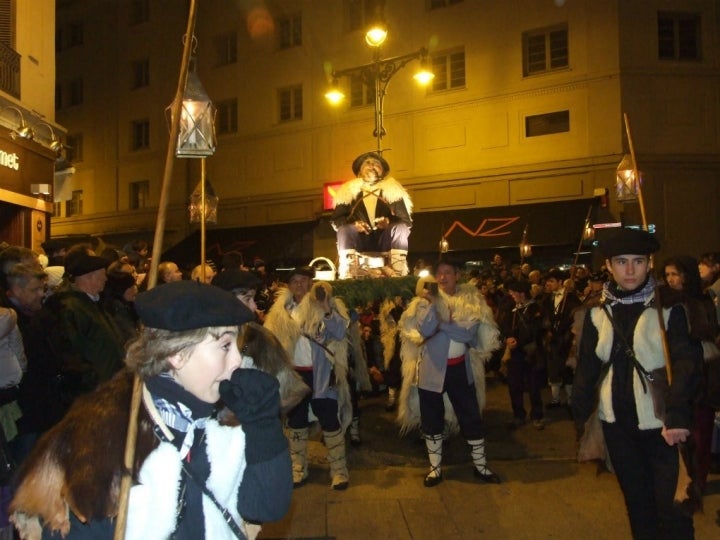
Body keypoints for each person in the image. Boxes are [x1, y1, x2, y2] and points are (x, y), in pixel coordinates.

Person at [10, 280, 292, 539]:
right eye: (225, 346)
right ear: (177, 354)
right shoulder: (105, 439)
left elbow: (264, 509)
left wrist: (263, 424)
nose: (236, 362)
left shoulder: (216, 422)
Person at [572, 228, 703, 539]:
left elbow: (687, 364)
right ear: (609, 266)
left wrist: (678, 417)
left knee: (673, 509)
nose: (629, 270)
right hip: (617, 426)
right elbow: (587, 368)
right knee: (638, 506)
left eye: (638, 261)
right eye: (621, 262)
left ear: (649, 263)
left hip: (663, 426)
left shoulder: (670, 306)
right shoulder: (596, 311)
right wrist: (580, 417)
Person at [398, 260, 501, 487]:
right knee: (431, 421)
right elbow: (424, 330)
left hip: (459, 369)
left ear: (457, 275)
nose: (443, 277)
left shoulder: (470, 301)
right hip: (431, 370)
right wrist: (435, 307)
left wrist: (442, 325)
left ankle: (481, 467)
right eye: (439, 273)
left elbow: (467, 334)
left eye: (447, 272)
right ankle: (435, 469)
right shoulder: (425, 303)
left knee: (471, 417)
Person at [263, 266, 352, 490]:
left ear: (311, 283)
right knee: (296, 422)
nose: (299, 285)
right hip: (294, 374)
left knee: (330, 420)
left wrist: (326, 310)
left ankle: (339, 471)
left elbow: (341, 332)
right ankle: (298, 468)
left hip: (321, 373)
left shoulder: (326, 304)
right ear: (289, 286)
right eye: (294, 281)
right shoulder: (280, 311)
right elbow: (271, 340)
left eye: (304, 280)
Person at [661, 255, 720, 494]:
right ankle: (681, 478)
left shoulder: (701, 299)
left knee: (700, 432)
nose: (671, 280)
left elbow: (707, 331)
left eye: (676, 274)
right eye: (667, 275)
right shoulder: (663, 302)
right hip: (673, 372)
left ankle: (698, 479)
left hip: (701, 374)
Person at [330, 152, 413, 279]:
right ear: (359, 171)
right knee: (344, 229)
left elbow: (406, 222)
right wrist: (354, 226)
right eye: (367, 163)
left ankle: (397, 271)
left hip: (385, 241)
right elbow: (336, 220)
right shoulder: (348, 192)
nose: (372, 165)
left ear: (383, 172)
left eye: (376, 164)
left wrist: (388, 223)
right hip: (359, 241)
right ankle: (349, 271)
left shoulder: (393, 191)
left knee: (401, 228)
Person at [498, 278, 545, 430]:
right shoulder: (511, 309)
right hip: (515, 354)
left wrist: (521, 340)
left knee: (533, 386)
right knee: (514, 385)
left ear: (522, 294)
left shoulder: (535, 309)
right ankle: (518, 414)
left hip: (531, 352)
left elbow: (538, 330)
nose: (511, 295)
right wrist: (508, 338)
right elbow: (504, 326)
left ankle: (537, 415)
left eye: (513, 292)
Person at [541, 268, 581, 408]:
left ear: (560, 282)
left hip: (567, 339)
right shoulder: (548, 298)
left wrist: (567, 332)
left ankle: (571, 400)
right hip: (553, 339)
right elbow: (545, 315)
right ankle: (555, 399)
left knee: (568, 370)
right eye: (548, 281)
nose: (549, 284)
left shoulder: (571, 298)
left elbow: (575, 317)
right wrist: (548, 328)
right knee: (553, 369)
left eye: (552, 281)